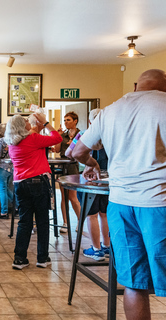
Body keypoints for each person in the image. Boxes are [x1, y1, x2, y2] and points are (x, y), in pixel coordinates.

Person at [72, 69, 166, 319]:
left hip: (120, 203)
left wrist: (92, 163)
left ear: (137, 85)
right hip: (158, 202)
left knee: (134, 283)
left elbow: (77, 152)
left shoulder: (111, 110)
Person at [5, 114, 62, 269]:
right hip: (38, 182)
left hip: (20, 184)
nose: (28, 122)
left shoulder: (12, 144)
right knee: (42, 221)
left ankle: (19, 258)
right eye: (25, 121)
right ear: (22, 126)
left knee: (24, 221)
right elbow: (57, 139)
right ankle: (42, 258)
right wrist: (46, 124)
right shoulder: (34, 139)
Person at [65, 108, 110, 261]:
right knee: (105, 214)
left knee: (91, 215)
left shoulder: (83, 134)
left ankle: (96, 249)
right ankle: (107, 246)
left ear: (90, 121)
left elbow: (69, 153)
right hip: (108, 179)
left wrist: (84, 160)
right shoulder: (111, 134)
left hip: (89, 178)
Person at [53, 111, 82, 233]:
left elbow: (84, 150)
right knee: (63, 196)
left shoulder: (81, 134)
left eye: (68, 120)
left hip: (73, 166)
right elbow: (58, 149)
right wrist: (59, 137)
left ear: (75, 121)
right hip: (62, 165)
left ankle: (80, 222)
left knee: (73, 196)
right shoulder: (64, 135)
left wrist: (74, 145)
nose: (66, 122)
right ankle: (65, 223)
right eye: (65, 120)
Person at [0, 123, 14, 219]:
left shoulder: (1, 141)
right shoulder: (12, 140)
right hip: (11, 168)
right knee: (6, 189)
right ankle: (17, 206)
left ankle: (4, 212)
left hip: (2, 168)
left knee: (2, 190)